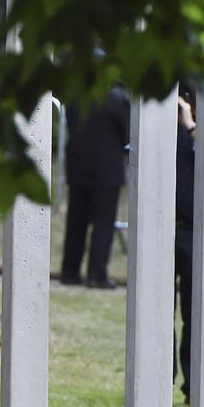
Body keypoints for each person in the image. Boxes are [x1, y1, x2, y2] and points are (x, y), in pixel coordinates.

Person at [61, 85, 131, 287]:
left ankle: (70, 271)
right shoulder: (116, 98)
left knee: (76, 223)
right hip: (106, 168)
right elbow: (126, 131)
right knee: (103, 224)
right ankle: (96, 274)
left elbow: (71, 124)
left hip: (78, 166)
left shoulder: (75, 95)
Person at [174, 87, 197, 403]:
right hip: (164, 228)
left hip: (195, 231)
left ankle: (193, 385)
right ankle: (158, 382)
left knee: (194, 314)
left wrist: (189, 122)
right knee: (158, 312)